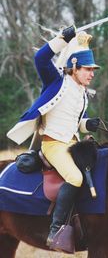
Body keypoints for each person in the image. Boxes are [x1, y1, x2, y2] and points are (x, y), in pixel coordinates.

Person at [6, 25, 101, 248]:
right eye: (87, 69)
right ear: (74, 67)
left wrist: (89, 124)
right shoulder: (56, 81)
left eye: (93, 69)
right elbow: (40, 58)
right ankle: (56, 230)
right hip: (53, 145)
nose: (92, 73)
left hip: (72, 143)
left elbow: (77, 120)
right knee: (76, 178)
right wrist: (62, 39)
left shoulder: (81, 93)